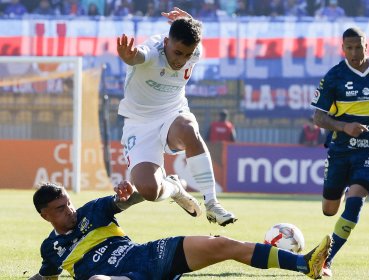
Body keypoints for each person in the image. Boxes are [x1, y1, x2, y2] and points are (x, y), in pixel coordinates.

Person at [28, 182, 332, 280]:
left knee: (222, 244)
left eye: (67, 203)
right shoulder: (50, 249)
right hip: (116, 278)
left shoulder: (92, 211)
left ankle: (305, 264)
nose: (69, 210)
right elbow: (45, 276)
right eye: (60, 209)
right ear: (45, 216)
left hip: (149, 256)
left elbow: (127, 200)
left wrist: (130, 191)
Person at [116, 7, 236, 226]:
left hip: (172, 113)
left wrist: (190, 21)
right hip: (139, 123)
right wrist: (130, 57)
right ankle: (173, 187)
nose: (181, 60)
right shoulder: (152, 51)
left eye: (188, 54)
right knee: (150, 190)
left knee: (189, 128)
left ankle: (212, 204)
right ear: (166, 42)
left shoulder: (195, 52)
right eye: (177, 53)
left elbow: (195, 36)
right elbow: (139, 55)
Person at [311, 27, 369, 277]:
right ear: (343, 48)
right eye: (350, 48)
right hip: (340, 150)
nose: (354, 53)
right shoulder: (334, 76)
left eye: (359, 47)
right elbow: (318, 117)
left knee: (355, 202)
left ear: (366, 45)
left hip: (367, 152)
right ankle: (349, 190)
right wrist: (344, 126)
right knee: (329, 210)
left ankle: (326, 260)